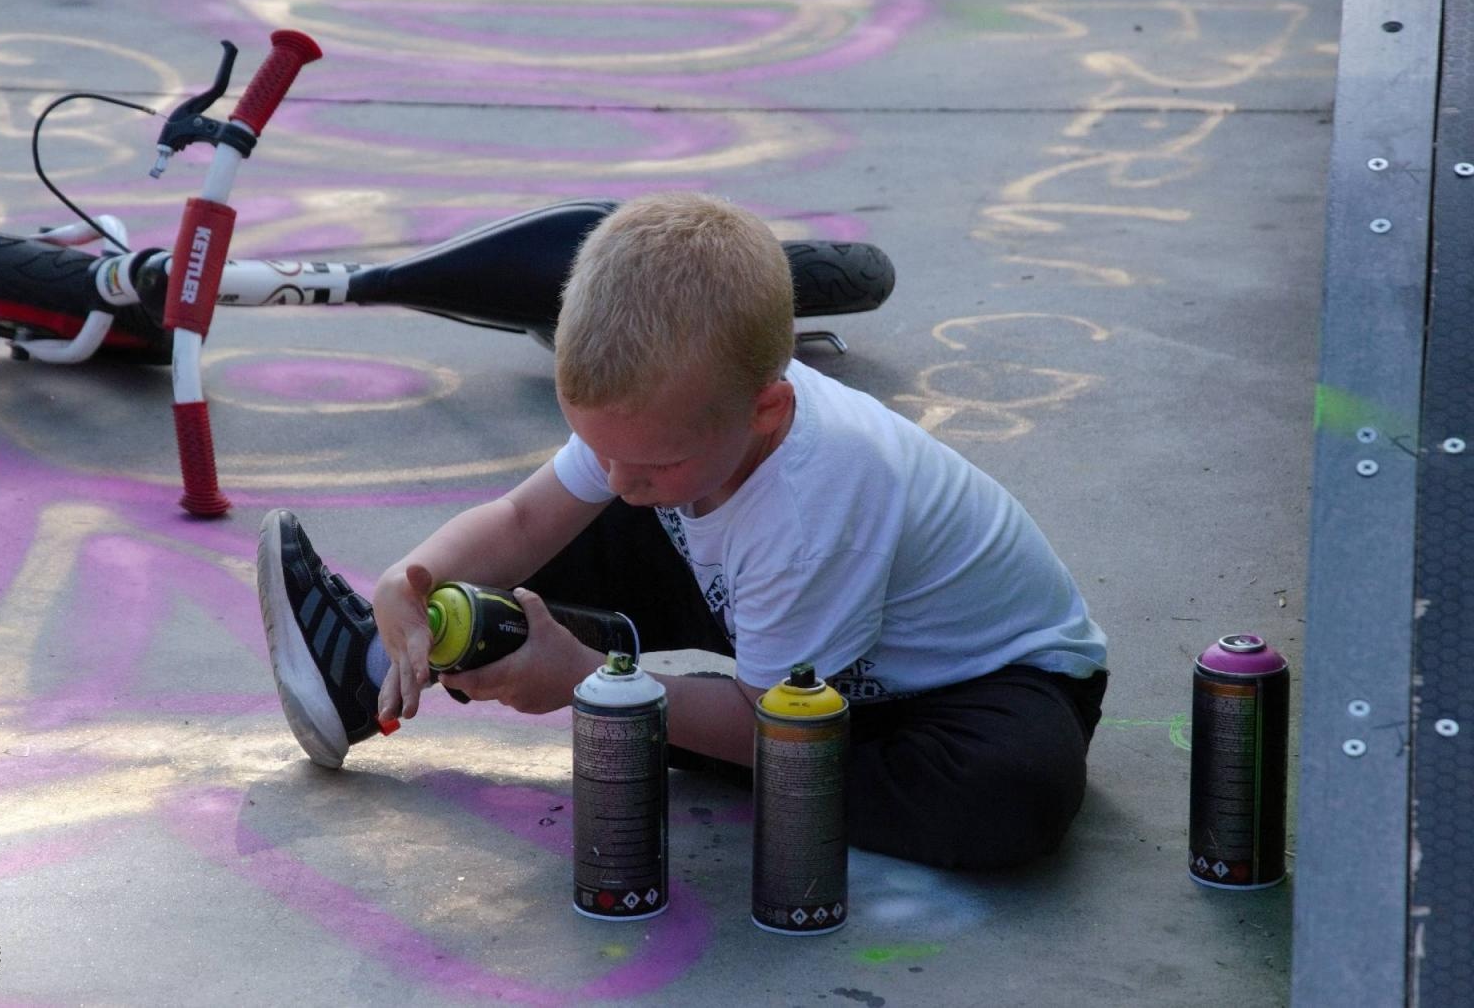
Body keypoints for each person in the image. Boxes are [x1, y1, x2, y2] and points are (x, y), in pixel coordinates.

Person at [257, 191, 1108, 871]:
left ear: (768, 407)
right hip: (787, 629)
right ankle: (366, 663)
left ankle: (640, 686)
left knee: (1006, 796)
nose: (623, 480)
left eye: (650, 464)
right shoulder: (671, 430)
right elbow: (521, 518)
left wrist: (586, 682)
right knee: (559, 536)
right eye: (600, 449)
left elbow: (777, 716)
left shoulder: (817, 505)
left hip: (971, 692)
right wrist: (406, 578)